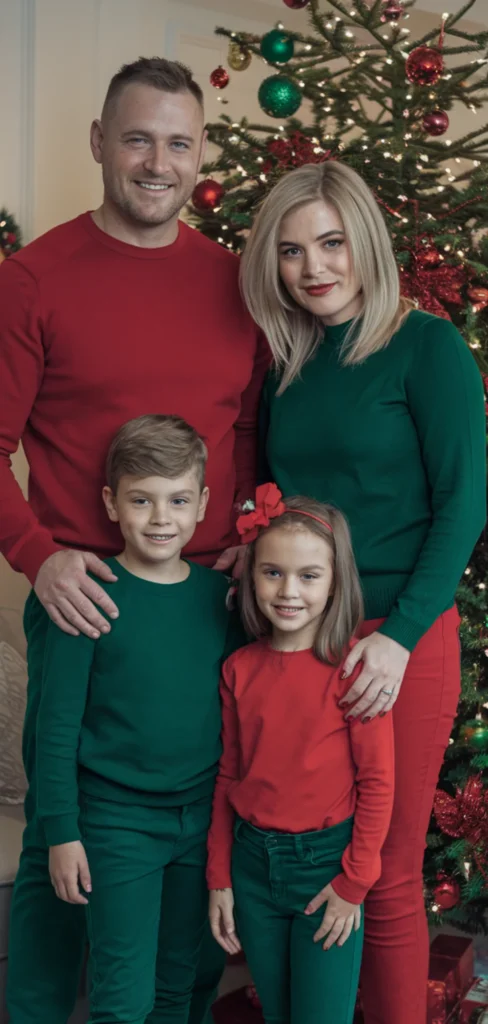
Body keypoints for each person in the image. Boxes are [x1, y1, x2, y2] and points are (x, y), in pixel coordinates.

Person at [0, 57, 268, 1024]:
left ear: (202, 155)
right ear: (100, 144)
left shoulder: (234, 281)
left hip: (209, 602)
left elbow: (243, 430)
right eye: (138, 138)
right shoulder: (32, 280)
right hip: (89, 596)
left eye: (179, 142)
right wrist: (39, 553)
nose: (159, 162)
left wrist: (248, 531)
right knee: (58, 846)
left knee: (192, 844)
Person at [239, 161, 486, 1024]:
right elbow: (274, 502)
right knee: (320, 861)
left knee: (381, 869)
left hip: (400, 641)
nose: (316, 267)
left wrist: (399, 633)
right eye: (294, 250)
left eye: (333, 242)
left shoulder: (428, 346)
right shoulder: (287, 364)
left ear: (365, 242)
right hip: (304, 642)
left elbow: (464, 504)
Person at [35, 413, 245, 1024]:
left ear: (203, 503)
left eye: (178, 500)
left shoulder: (219, 599)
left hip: (200, 819)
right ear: (111, 502)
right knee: (125, 996)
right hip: (116, 823)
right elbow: (56, 729)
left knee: (182, 981)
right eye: (142, 500)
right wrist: (61, 833)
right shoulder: (89, 594)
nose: (161, 518)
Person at [207, 484, 395, 1024]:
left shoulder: (354, 672)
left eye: (309, 576)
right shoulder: (238, 669)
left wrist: (353, 885)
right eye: (273, 572)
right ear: (251, 574)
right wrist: (219, 877)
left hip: (326, 872)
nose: (289, 590)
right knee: (278, 1013)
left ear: (335, 582)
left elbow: (378, 783)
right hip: (251, 868)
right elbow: (227, 777)